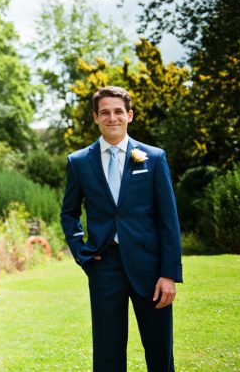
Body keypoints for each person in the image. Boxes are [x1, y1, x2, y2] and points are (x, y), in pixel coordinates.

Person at [60, 86, 183, 372]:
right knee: (107, 352)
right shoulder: (78, 162)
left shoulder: (153, 158)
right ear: (95, 118)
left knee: (159, 349)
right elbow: (69, 213)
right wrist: (83, 253)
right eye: (105, 112)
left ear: (129, 115)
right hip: (104, 265)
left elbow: (169, 219)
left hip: (151, 269)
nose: (111, 117)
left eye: (118, 111)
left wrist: (169, 274)